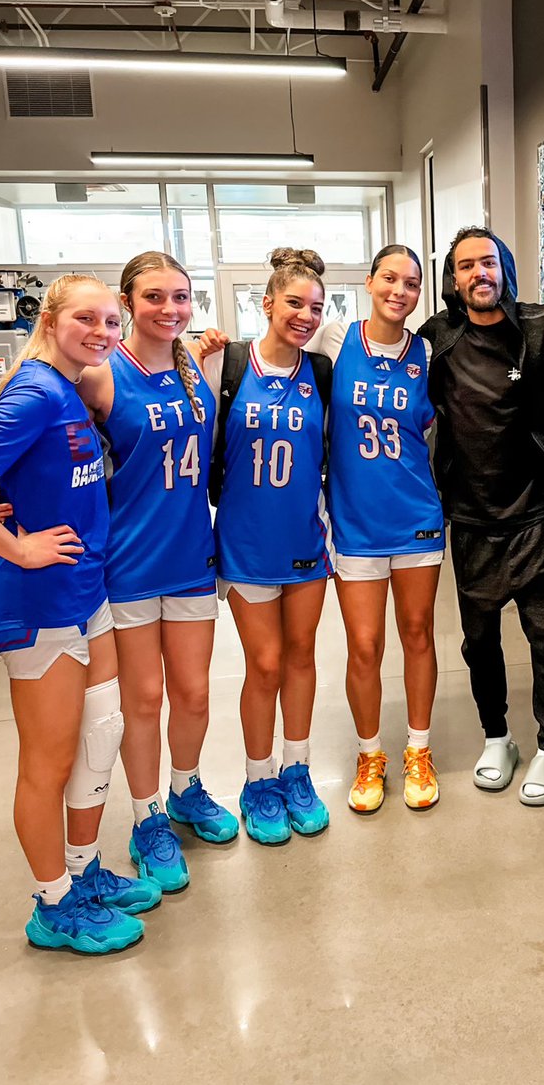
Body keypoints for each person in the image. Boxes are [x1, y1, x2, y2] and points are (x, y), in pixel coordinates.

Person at [0, 275, 156, 954]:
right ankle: (52, 905)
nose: (104, 332)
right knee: (47, 765)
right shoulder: (35, 391)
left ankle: (82, 874)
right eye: (89, 318)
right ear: (50, 319)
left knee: (100, 736)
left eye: (112, 322)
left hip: (89, 594)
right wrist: (15, 547)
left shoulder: (72, 387)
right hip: (39, 602)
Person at [80, 252, 238, 893]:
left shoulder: (193, 369)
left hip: (192, 557)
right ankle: (146, 819)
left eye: (181, 296)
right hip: (130, 563)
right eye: (154, 298)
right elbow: (32, 411)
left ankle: (185, 789)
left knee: (196, 693)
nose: (169, 309)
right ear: (127, 303)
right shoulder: (100, 374)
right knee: (144, 700)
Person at [418, 227, 544, 806]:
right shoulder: (438, 337)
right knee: (478, 642)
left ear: (504, 268)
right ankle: (498, 737)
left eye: (488, 262)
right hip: (472, 521)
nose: (478, 273)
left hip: (533, 515)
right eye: (466, 266)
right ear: (453, 280)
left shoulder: (540, 326)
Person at [305, 244, 442, 815]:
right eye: (390, 278)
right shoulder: (333, 340)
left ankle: (418, 749)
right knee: (364, 645)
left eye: (411, 283)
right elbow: (277, 364)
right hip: (354, 520)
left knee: (418, 635)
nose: (400, 291)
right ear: (369, 281)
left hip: (415, 517)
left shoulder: (428, 352)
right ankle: (369, 755)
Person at [208, 248, 332, 844]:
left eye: (316, 306)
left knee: (302, 657)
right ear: (267, 303)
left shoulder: (323, 373)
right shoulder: (226, 365)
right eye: (293, 303)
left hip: (305, 542)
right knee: (264, 664)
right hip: (246, 543)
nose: (305, 316)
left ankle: (298, 768)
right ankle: (258, 780)